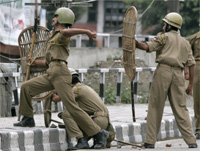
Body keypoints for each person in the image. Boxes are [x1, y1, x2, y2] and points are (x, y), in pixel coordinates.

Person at [14, 7, 109, 149]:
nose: (53, 19)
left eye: (56, 17)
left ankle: (98, 133)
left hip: (60, 73)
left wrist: (86, 31)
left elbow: (66, 32)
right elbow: (48, 62)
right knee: (26, 87)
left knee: (71, 107)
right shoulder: (53, 37)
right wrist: (33, 62)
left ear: (62, 19)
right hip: (51, 72)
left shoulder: (63, 34)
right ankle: (28, 118)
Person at [135, 12, 197, 148]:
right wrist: (190, 84)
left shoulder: (163, 37)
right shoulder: (185, 43)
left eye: (165, 24)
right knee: (181, 109)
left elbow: (146, 47)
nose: (163, 27)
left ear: (169, 26)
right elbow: (192, 65)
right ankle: (191, 141)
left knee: (155, 107)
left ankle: (150, 141)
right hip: (178, 75)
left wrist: (134, 43)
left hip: (163, 71)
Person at [52, 68, 115, 149]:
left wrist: (54, 94)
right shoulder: (84, 87)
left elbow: (59, 99)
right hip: (103, 121)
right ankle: (99, 137)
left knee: (66, 114)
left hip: (97, 121)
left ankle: (82, 140)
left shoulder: (75, 89)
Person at [185, 30, 200, 139]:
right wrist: (186, 72)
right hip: (198, 68)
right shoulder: (194, 38)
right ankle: (199, 128)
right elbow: (186, 55)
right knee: (198, 100)